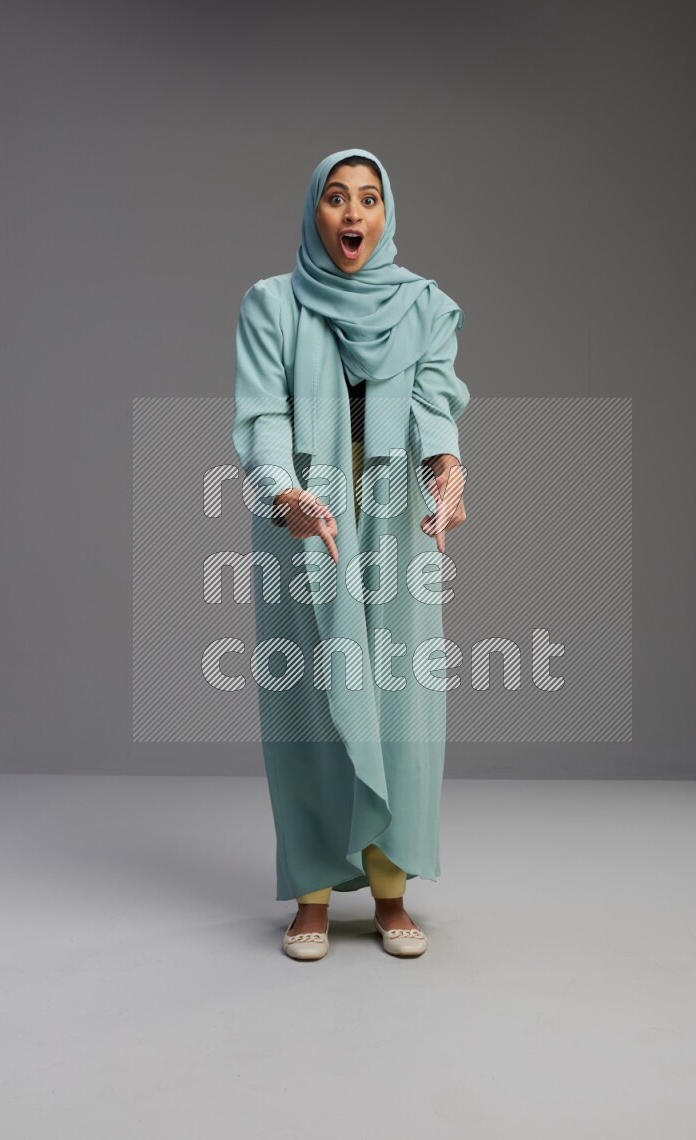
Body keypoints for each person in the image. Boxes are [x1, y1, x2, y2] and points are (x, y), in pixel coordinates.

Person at [231, 147, 470, 960]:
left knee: (400, 703)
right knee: (306, 708)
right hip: (308, 520)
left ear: (386, 214)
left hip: (397, 521)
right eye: (336, 198)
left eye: (368, 199)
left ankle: (392, 888)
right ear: (315, 212)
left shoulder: (424, 306)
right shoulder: (272, 304)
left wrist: (450, 474)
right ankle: (311, 893)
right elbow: (263, 415)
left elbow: (436, 403)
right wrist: (282, 495)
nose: (353, 214)